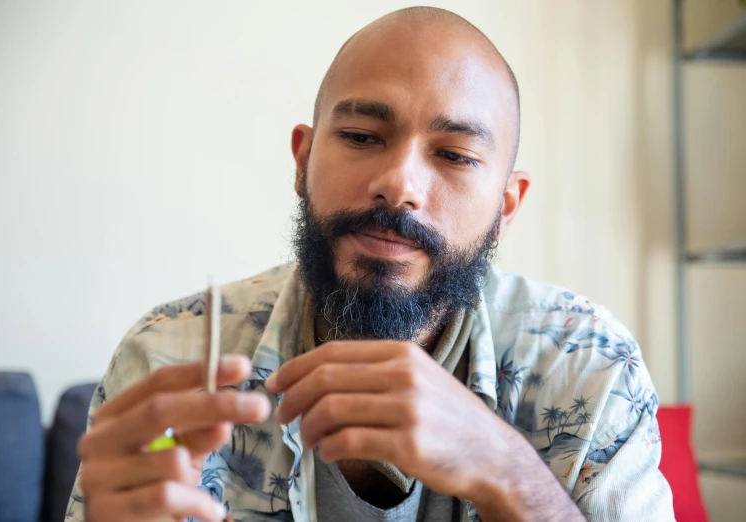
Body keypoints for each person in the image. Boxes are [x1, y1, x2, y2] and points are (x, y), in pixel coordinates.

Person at [66, 7, 674, 522]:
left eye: (455, 155)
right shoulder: (171, 354)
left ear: (506, 206)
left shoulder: (589, 367)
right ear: (302, 161)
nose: (398, 184)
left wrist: (508, 473)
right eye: (360, 136)